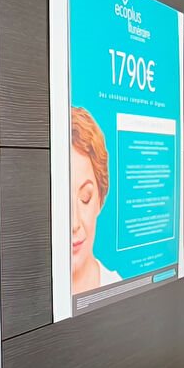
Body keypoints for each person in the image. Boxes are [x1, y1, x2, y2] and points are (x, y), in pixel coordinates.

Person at [70, 107, 121, 294]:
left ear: (100, 197)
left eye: (85, 198)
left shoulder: (116, 287)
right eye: (62, 202)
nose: (74, 223)